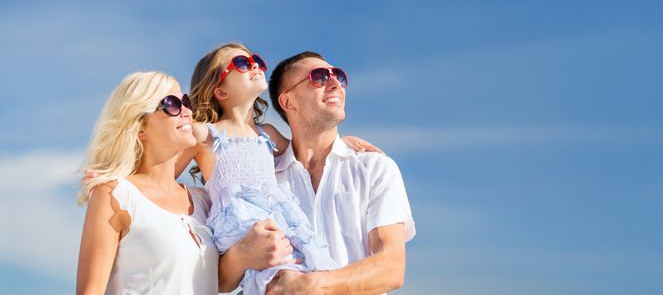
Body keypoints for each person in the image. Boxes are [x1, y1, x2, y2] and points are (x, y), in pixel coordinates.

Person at [179, 43, 379, 294]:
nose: (253, 65)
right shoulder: (204, 134)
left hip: (278, 216)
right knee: (275, 275)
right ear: (220, 91)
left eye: (256, 61)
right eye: (241, 64)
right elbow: (163, 170)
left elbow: (308, 148)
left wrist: (342, 142)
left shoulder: (268, 133)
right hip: (240, 221)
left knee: (302, 267)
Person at [261, 51, 415, 294]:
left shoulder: (375, 168)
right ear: (288, 102)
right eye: (319, 77)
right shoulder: (263, 180)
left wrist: (312, 285)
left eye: (338, 76)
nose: (335, 83)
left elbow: (392, 267)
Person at [76, 71, 218, 295]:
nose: (187, 111)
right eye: (172, 104)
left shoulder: (204, 201)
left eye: (186, 101)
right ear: (140, 127)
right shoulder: (115, 194)